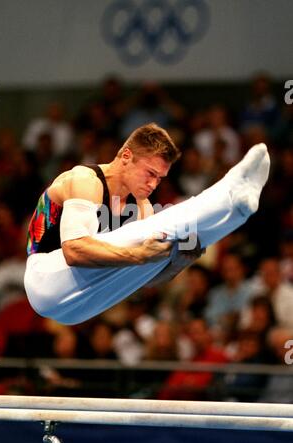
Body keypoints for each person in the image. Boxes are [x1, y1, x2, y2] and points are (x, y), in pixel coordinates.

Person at [24, 123, 270, 325]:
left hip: (79, 310)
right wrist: (139, 255)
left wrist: (175, 265)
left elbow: (139, 280)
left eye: (160, 178)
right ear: (127, 156)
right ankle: (230, 188)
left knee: (183, 240)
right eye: (150, 173)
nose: (154, 185)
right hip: (44, 281)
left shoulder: (142, 206)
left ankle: (240, 211)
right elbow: (74, 251)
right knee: (161, 230)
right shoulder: (85, 180)